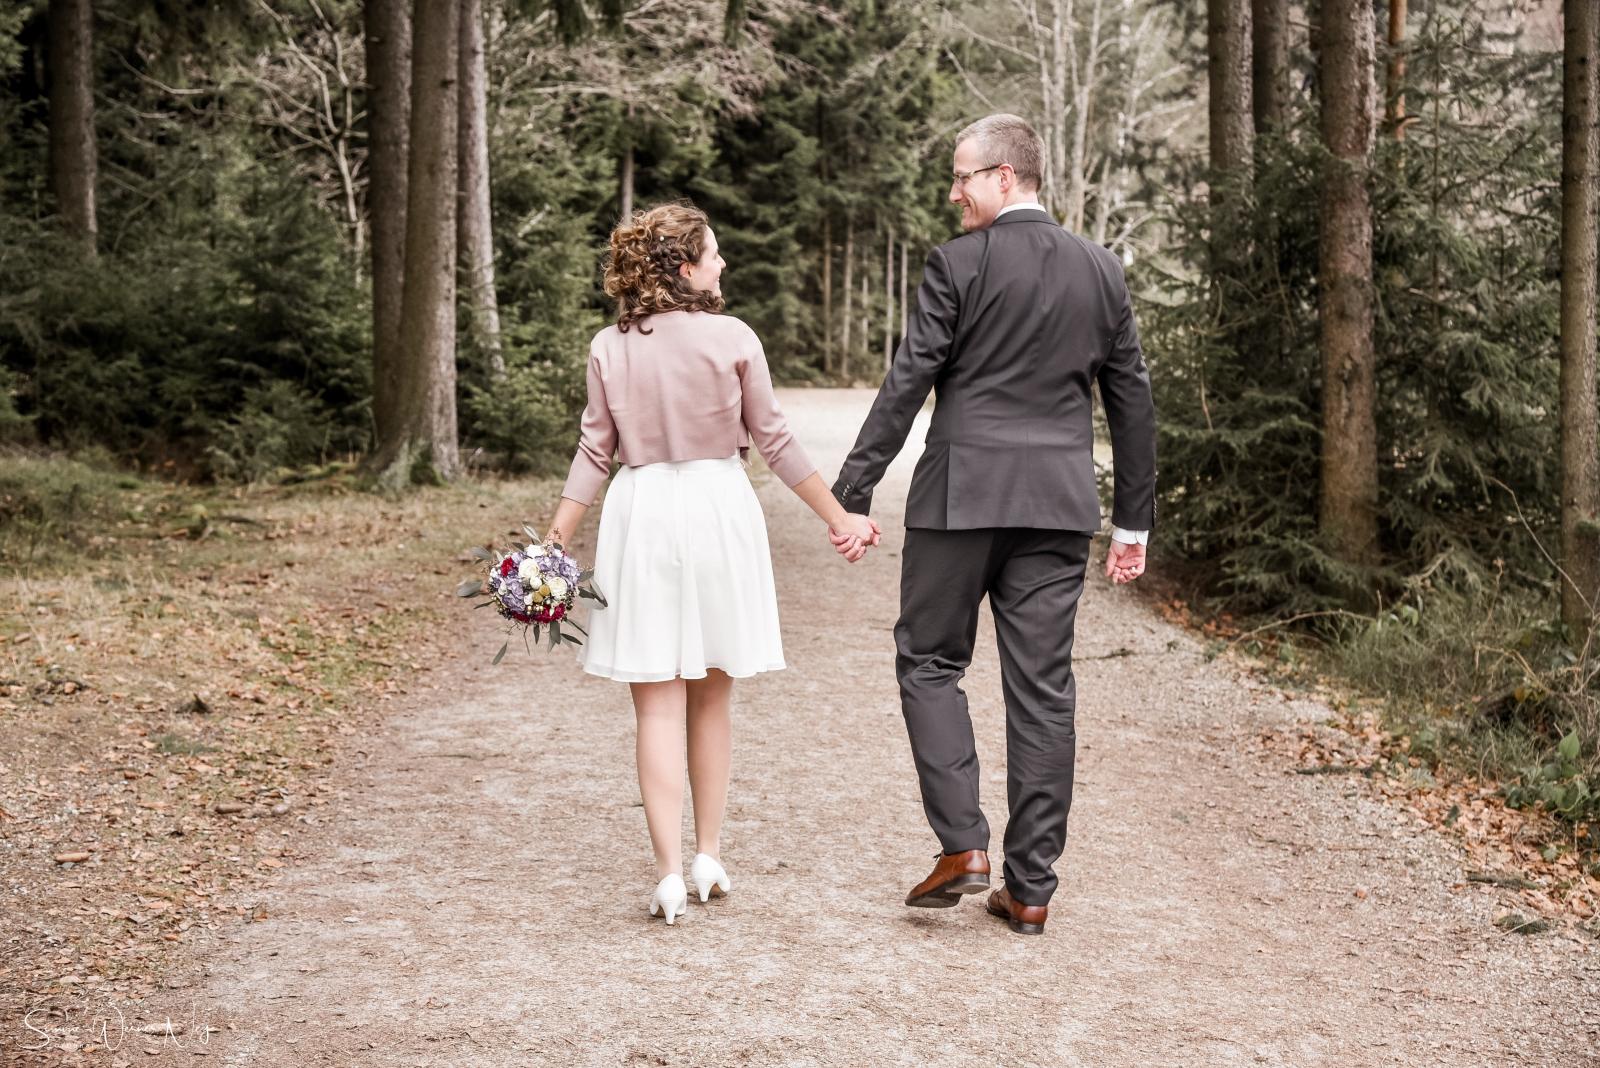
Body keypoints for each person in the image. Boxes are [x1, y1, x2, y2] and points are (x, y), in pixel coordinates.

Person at [828, 114, 1157, 936]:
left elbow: (910, 379)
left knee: (929, 661)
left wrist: (856, 489)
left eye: (962, 177)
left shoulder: (958, 264)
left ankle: (964, 847)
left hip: (959, 498)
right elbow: (1133, 402)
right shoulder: (1102, 269)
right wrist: (1132, 524)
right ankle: (1032, 887)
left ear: (1005, 176)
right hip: (1055, 507)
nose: (954, 192)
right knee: (1044, 690)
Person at [545, 202, 879, 925]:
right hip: (716, 507)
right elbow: (778, 442)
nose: (724, 264)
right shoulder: (733, 338)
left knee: (655, 700)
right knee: (712, 693)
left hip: (640, 516)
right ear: (686, 265)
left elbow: (594, 451)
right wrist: (840, 518)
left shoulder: (610, 345)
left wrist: (555, 541)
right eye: (715, 253)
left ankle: (667, 873)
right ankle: (709, 854)